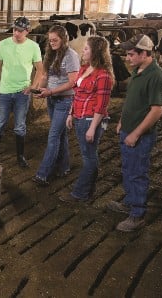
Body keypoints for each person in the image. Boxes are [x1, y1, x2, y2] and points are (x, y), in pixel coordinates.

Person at [107, 34, 162, 232]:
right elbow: (133, 100)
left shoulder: (156, 75)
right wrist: (123, 122)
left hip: (140, 135)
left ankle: (137, 213)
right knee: (127, 169)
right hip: (127, 129)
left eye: (131, 54)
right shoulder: (137, 71)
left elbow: (157, 110)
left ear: (144, 53)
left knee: (138, 172)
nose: (127, 58)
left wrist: (136, 133)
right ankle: (130, 201)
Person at [58, 36, 114, 203]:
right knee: (88, 155)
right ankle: (88, 190)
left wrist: (92, 127)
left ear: (95, 52)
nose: (83, 51)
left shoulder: (103, 75)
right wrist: (70, 113)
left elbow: (101, 104)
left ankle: (79, 193)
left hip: (91, 119)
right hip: (80, 116)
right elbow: (77, 94)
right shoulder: (84, 69)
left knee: (89, 157)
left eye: (87, 49)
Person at [0, 16, 43, 168]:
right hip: (4, 91)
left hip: (22, 93)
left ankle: (20, 156)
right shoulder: (4, 44)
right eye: (14, 30)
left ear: (27, 31)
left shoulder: (33, 46)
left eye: (20, 31)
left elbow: (40, 70)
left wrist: (33, 86)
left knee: (20, 125)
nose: (16, 33)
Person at [31, 25, 80, 185]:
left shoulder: (70, 55)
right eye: (50, 40)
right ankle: (64, 167)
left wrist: (51, 92)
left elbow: (73, 82)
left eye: (55, 40)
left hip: (65, 100)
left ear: (63, 39)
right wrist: (38, 89)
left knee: (53, 137)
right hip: (52, 99)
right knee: (60, 135)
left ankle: (42, 174)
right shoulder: (51, 54)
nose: (52, 43)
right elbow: (45, 75)